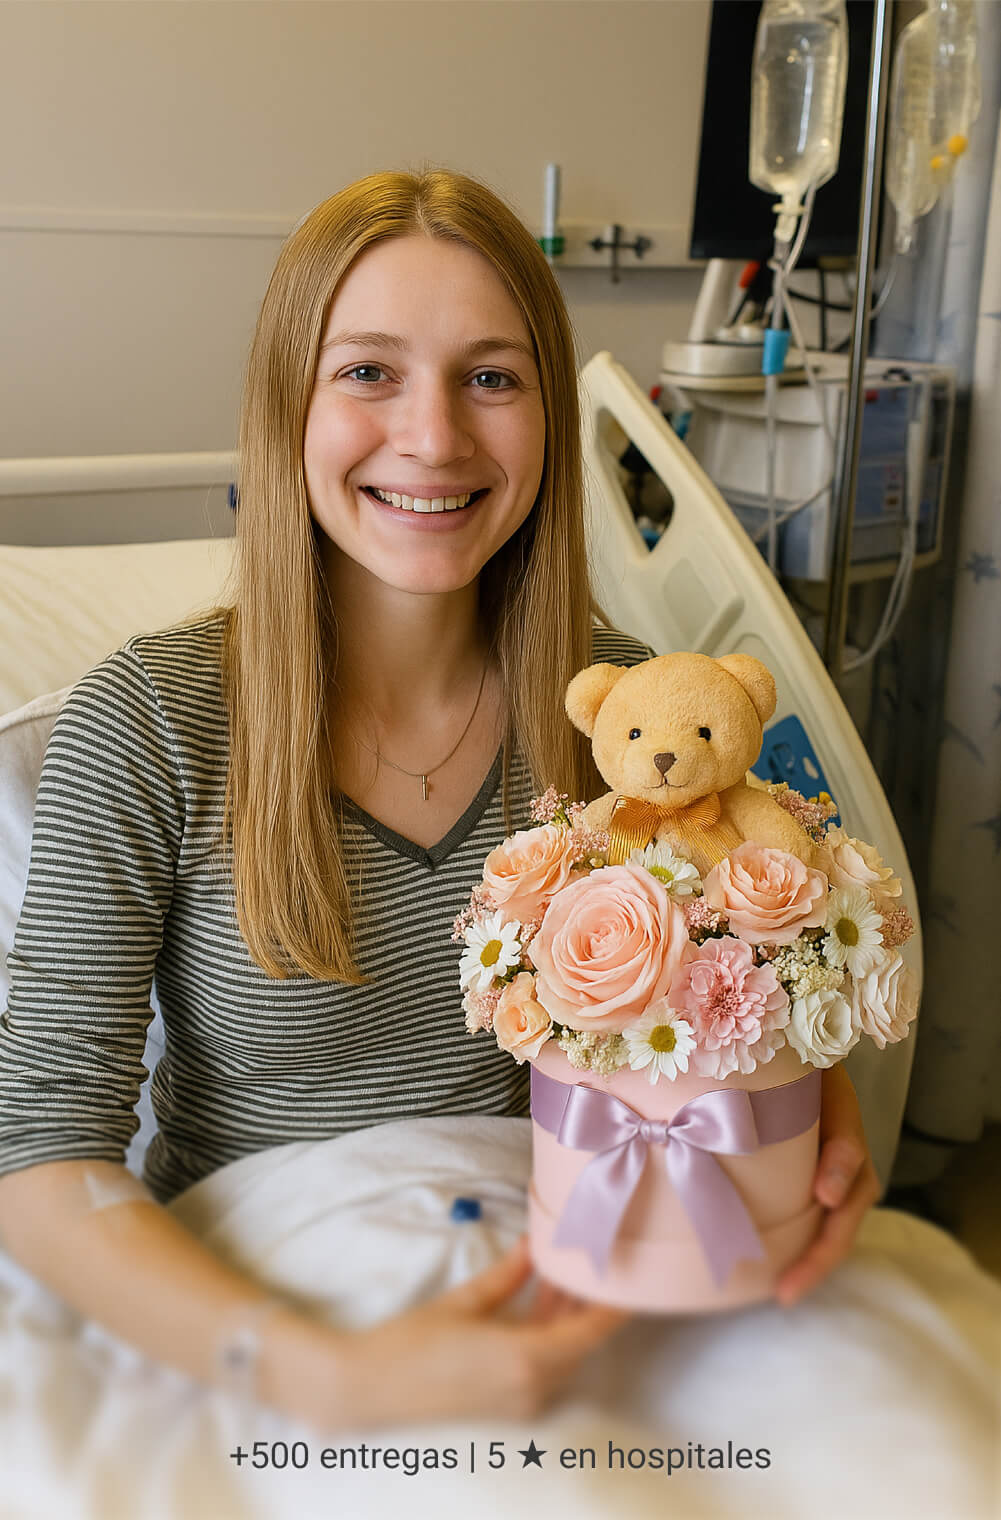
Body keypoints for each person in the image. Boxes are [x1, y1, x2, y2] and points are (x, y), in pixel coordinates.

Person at [0, 167, 878, 1434]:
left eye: (491, 377)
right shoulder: (148, 725)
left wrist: (802, 1103)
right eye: (367, 370)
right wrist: (315, 1375)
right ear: (286, 403)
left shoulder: (632, 721)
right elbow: (39, 1150)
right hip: (268, 1311)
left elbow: (750, 977)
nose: (433, 437)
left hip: (583, 1273)